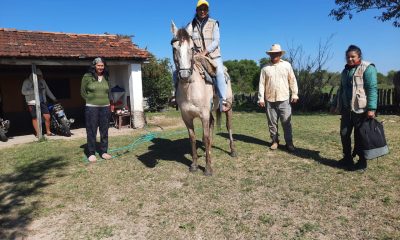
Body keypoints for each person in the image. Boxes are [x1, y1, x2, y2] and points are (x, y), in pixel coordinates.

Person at [172, 0, 229, 112]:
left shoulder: (214, 23)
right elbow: (187, 41)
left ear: (207, 10)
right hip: (197, 55)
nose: (202, 11)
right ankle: (176, 97)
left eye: (205, 9)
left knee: (220, 72)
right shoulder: (190, 25)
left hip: (213, 55)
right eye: (200, 9)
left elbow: (216, 41)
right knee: (175, 70)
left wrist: (205, 51)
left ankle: (223, 100)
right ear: (196, 10)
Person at [331, 45, 378, 170]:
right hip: (347, 109)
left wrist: (372, 109)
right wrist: (334, 104)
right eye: (348, 57)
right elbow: (341, 89)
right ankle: (347, 158)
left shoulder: (368, 68)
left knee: (361, 136)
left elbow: (372, 89)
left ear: (359, 56)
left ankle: (362, 162)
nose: (350, 59)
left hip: (361, 109)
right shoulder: (345, 71)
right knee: (344, 134)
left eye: (353, 57)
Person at [258, 44, 299, 152]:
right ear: (269, 54)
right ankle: (275, 141)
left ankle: (289, 143)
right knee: (272, 123)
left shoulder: (287, 65)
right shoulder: (265, 68)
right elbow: (261, 84)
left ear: (280, 54)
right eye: (272, 53)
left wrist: (294, 94)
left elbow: (292, 80)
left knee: (286, 122)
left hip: (284, 98)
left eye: (276, 53)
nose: (274, 55)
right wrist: (261, 98)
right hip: (269, 99)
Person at [81, 57, 112, 162]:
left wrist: (109, 103)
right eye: (98, 65)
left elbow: (109, 91)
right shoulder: (87, 76)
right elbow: (83, 92)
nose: (100, 67)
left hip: (105, 107)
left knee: (104, 130)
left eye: (102, 65)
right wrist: (91, 101)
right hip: (91, 108)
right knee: (91, 130)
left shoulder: (106, 76)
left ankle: (103, 152)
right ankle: (91, 153)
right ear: (94, 66)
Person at [21, 69, 57, 137]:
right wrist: (34, 91)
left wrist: (54, 98)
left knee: (47, 116)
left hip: (42, 101)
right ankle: (38, 133)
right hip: (32, 102)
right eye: (38, 76)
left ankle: (48, 132)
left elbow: (47, 90)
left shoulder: (42, 81)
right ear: (34, 75)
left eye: (41, 75)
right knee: (35, 118)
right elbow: (23, 92)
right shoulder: (27, 82)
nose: (40, 77)